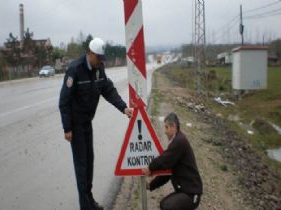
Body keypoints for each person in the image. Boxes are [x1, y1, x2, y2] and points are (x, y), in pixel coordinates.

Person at [59, 37, 133, 210]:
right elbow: (64, 101)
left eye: (102, 59)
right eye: (98, 58)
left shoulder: (99, 69)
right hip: (75, 126)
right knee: (82, 166)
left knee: (89, 162)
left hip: (87, 123)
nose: (100, 61)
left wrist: (123, 108)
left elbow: (108, 90)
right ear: (90, 54)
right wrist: (67, 128)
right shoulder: (75, 70)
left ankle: (89, 200)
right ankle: (85, 206)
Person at [142, 112, 203, 210]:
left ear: (173, 127)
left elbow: (164, 159)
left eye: (166, 127)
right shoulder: (177, 141)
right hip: (184, 191)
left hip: (191, 194)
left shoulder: (179, 141)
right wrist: (151, 185)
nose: (165, 131)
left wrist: (150, 167)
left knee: (167, 206)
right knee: (164, 204)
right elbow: (168, 173)